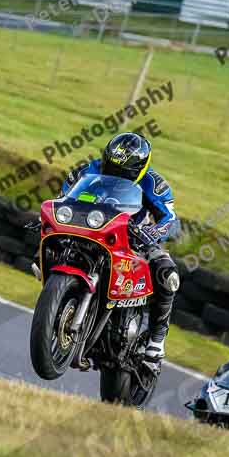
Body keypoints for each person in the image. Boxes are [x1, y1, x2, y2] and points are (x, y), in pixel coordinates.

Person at [62, 132, 181, 368]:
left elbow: (169, 219)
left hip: (132, 237)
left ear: (139, 169)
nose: (115, 174)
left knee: (167, 275)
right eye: (111, 166)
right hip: (89, 228)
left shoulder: (154, 184)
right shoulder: (85, 170)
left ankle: (157, 340)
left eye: (122, 172)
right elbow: (62, 198)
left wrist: (152, 233)